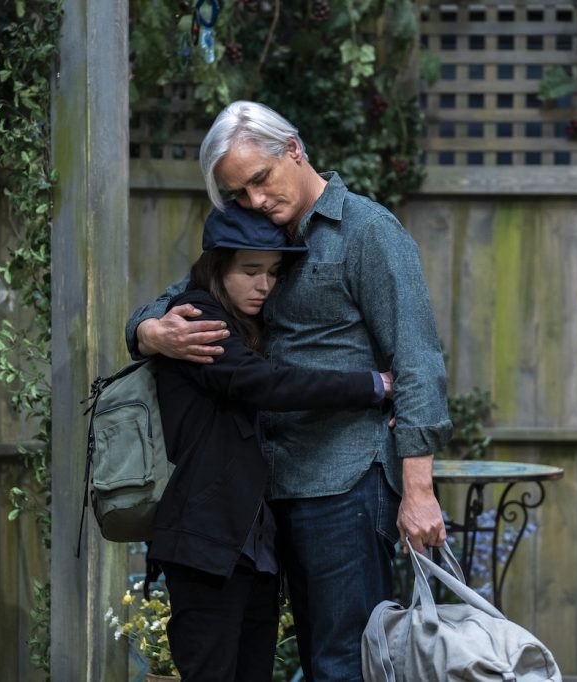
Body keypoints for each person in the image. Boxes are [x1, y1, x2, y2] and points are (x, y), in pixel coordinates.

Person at [127, 100, 452, 681]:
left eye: (260, 180)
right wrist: (149, 331)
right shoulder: (254, 237)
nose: (254, 201)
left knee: (341, 664)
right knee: (285, 664)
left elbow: (417, 358)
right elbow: (181, 298)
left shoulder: (367, 232)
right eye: (238, 195)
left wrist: (418, 488)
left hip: (343, 487)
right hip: (265, 494)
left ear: (294, 150)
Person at [151, 201, 394, 682]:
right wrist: (373, 386)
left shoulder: (251, 325)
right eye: (250, 271)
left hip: (254, 546)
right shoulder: (197, 316)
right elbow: (268, 384)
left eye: (274, 272)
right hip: (208, 539)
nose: (264, 285)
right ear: (218, 266)